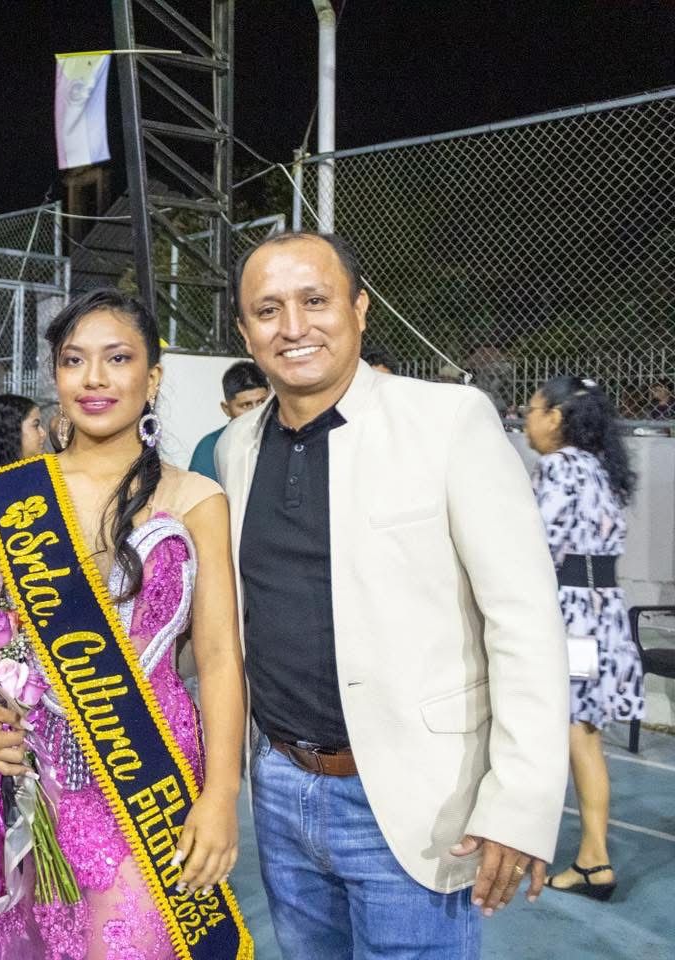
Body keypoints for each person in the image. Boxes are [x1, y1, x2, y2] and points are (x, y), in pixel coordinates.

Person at [215, 231, 569, 958]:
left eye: (315, 301)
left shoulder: (448, 421)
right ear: (246, 333)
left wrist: (520, 800)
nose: (293, 327)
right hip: (279, 790)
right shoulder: (236, 446)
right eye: (268, 310)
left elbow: (525, 622)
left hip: (414, 801)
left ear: (360, 309)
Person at [0, 288, 248, 958]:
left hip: (152, 767)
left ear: (153, 377)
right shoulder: (9, 498)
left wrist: (222, 795)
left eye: (117, 358)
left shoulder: (196, 498)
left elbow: (220, 657)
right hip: (43, 773)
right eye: (73, 360)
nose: (93, 378)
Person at [524, 375, 644, 902]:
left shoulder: (558, 467)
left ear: (556, 417)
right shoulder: (601, 468)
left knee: (567, 732)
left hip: (569, 616)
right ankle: (594, 859)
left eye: (531, 411)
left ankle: (586, 857)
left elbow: (540, 542)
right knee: (584, 734)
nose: (526, 421)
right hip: (602, 612)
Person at [188, 361, 268, 482]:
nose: (257, 412)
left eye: (262, 402)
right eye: (246, 405)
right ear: (226, 409)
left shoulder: (283, 441)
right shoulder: (210, 447)